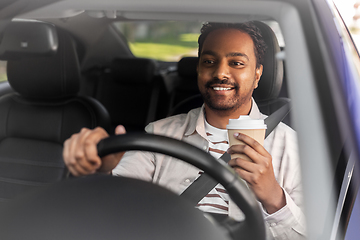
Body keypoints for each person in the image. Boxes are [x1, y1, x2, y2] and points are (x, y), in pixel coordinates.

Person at [63, 22, 306, 240]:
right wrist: (102, 171)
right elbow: (120, 210)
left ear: (257, 74)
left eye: (237, 63)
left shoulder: (291, 146)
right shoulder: (160, 134)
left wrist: (274, 197)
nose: (220, 73)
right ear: (199, 70)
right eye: (209, 62)